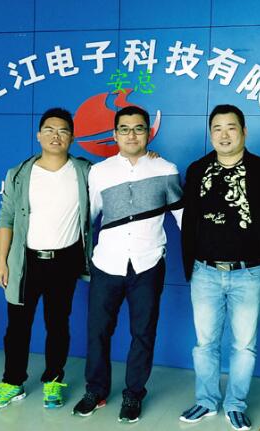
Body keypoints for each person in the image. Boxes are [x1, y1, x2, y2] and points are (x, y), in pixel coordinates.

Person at [72, 105, 183, 423]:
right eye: (124, 129)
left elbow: (182, 216)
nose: (131, 135)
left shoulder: (166, 169)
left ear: (148, 132)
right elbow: (89, 217)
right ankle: (96, 391)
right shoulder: (100, 171)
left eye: (138, 128)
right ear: (115, 133)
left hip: (148, 263)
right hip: (107, 263)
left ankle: (134, 394)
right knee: (97, 332)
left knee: (143, 333)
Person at [180, 104, 260, 430]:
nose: (224, 135)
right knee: (205, 344)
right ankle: (205, 401)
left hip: (249, 273)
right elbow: (189, 220)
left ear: (244, 132)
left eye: (231, 127)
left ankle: (236, 404)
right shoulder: (197, 170)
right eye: (217, 128)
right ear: (210, 133)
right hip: (205, 272)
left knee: (244, 345)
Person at [0, 108, 92, 409]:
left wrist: (146, 156)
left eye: (63, 131)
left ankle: (53, 381)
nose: (56, 136)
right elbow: (6, 218)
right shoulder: (19, 173)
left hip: (65, 261)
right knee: (17, 327)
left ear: (72, 137)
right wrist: (2, 261)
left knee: (58, 324)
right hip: (25, 261)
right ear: (39, 135)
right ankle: (12, 382)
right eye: (49, 130)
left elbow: (119, 176)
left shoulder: (86, 172)